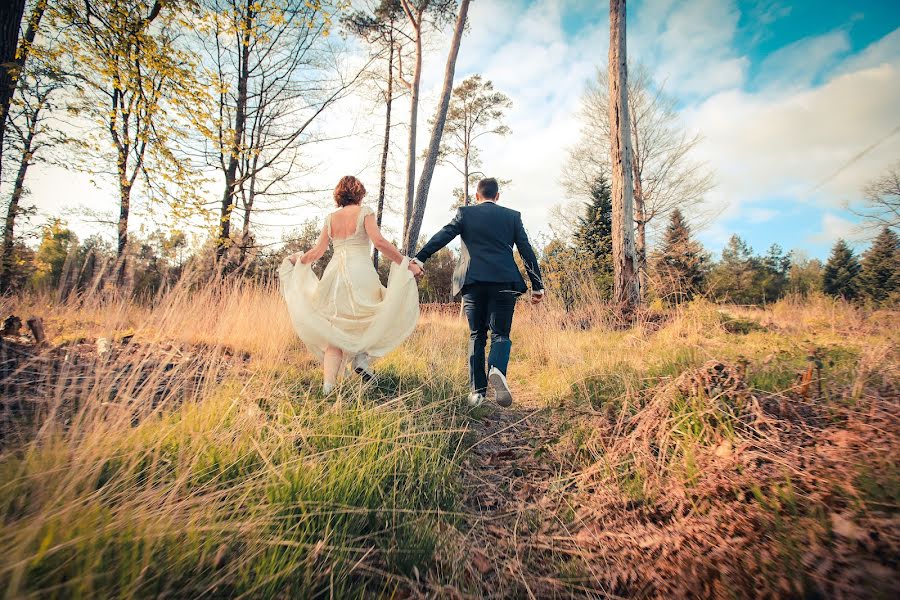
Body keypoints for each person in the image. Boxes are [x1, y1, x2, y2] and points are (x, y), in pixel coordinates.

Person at [278, 176, 423, 395]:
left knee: (334, 329)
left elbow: (317, 252)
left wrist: (297, 260)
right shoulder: (365, 212)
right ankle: (362, 360)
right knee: (372, 317)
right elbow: (380, 242)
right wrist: (406, 264)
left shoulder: (330, 218)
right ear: (359, 193)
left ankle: (328, 389)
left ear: (339, 195)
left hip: (334, 276)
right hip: (361, 273)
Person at [412, 177, 544, 408]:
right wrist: (537, 284)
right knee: (500, 333)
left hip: (472, 281)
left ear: (476, 196)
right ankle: (497, 369)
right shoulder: (512, 216)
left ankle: (477, 393)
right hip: (504, 281)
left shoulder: (465, 214)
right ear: (498, 196)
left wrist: (420, 258)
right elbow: (526, 249)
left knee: (476, 335)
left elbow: (443, 235)